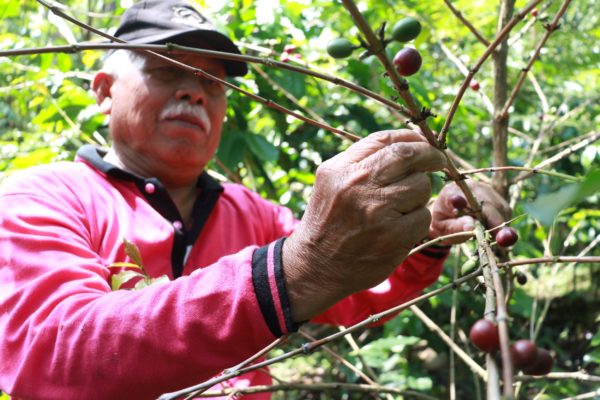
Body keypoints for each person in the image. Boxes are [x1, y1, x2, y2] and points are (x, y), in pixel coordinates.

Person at [0, 1, 511, 399]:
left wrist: (427, 235)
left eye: (211, 82)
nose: (195, 93)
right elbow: (50, 350)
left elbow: (363, 292)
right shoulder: (38, 197)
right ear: (105, 90)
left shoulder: (251, 212)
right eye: (168, 69)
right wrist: (294, 270)